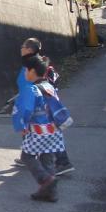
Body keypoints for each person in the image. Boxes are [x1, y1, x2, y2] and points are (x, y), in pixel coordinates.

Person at [18, 38, 73, 175]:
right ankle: (35, 159)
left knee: (47, 134)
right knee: (47, 136)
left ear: (29, 49)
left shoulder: (34, 62)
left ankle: (61, 163)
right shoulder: (36, 61)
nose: (21, 48)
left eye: (23, 46)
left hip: (41, 110)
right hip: (42, 109)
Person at [13, 56, 64, 202]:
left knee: (27, 156)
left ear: (32, 71)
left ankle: (46, 179)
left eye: (26, 70)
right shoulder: (50, 86)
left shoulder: (31, 89)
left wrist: (21, 125)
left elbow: (25, 109)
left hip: (38, 130)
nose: (24, 74)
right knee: (47, 158)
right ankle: (50, 192)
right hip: (53, 130)